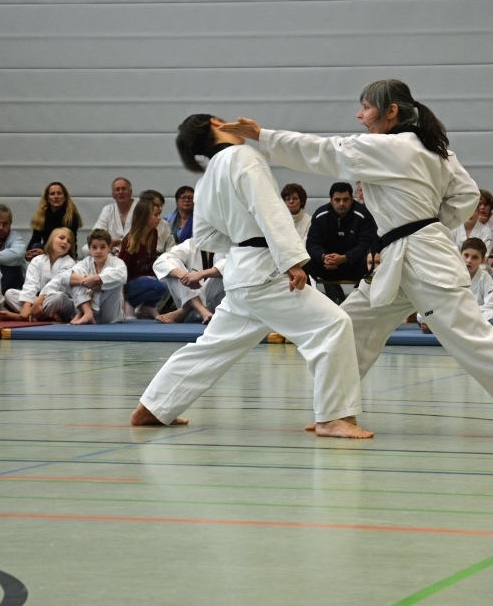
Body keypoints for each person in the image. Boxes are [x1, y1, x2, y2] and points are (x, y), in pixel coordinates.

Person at [222, 78, 493, 439]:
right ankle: (335, 414)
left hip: (424, 259)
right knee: (350, 327)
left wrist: (262, 135)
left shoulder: (391, 147)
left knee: (472, 339)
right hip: (401, 258)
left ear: (391, 111)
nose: (360, 115)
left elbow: (324, 151)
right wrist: (432, 222)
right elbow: (466, 195)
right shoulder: (435, 150)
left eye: (366, 108)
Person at [131, 113, 373, 440]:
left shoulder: (207, 179)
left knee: (213, 347)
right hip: (264, 271)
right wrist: (291, 260)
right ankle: (332, 418)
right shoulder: (243, 157)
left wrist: (243, 240)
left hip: (242, 270)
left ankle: (153, 407)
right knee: (334, 325)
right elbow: (269, 211)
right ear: (216, 124)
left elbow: (206, 236)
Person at [305, 181, 377, 302]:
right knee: (305, 262)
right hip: (327, 265)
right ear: (331, 200)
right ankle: (310, 301)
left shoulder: (364, 215)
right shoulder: (320, 215)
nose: (341, 203)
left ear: (352, 199)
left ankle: (362, 301)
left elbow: (366, 244)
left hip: (353, 266)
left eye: (345, 199)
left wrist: (345, 258)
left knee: (372, 261)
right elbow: (312, 243)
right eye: (337, 200)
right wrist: (323, 257)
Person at [418, 237, 493, 332]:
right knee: (422, 314)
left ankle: (441, 328)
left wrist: (462, 312)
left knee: (492, 316)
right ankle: (460, 329)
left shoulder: (486, 278)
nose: (469, 260)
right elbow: (437, 302)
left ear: (482, 260)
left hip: (473, 316)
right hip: (450, 314)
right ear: (460, 255)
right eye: (466, 255)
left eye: (475, 257)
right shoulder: (450, 274)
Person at [0, 227, 76, 322]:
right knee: (9, 293)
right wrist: (27, 305)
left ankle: (21, 316)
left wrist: (38, 301)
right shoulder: (37, 260)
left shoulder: (70, 263)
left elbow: (56, 284)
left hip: (60, 302)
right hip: (41, 302)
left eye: (69, 241)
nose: (65, 242)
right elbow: (31, 283)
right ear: (51, 239)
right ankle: (43, 316)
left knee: (59, 297)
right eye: (61, 238)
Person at [118, 199, 173, 319]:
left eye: (159, 214)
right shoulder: (130, 242)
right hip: (128, 283)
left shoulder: (153, 233)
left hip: (144, 278)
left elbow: (150, 260)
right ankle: (130, 303)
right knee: (161, 286)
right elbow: (120, 271)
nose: (159, 218)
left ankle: (147, 306)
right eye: (155, 215)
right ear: (144, 217)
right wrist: (120, 300)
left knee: (169, 281)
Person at [152, 238, 225, 324]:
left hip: (217, 309)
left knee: (226, 271)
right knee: (171, 267)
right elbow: (160, 262)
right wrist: (184, 276)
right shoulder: (191, 244)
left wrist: (201, 274)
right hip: (190, 306)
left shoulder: (228, 244)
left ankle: (185, 310)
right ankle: (201, 310)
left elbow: (232, 265)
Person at [26, 181, 83, 260]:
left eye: (59, 193)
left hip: (65, 252)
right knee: (36, 247)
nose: (56, 196)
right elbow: (35, 239)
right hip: (45, 251)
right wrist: (29, 253)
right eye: (52, 194)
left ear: (64, 198)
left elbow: (70, 245)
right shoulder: (42, 216)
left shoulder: (71, 217)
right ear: (47, 199)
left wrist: (45, 253)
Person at [92, 177, 135, 252]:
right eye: (117, 189)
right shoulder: (108, 210)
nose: (121, 192)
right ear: (113, 195)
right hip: (111, 250)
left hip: (134, 249)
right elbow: (96, 233)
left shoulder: (140, 208)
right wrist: (107, 242)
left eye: (124, 188)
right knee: (86, 249)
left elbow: (144, 235)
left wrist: (120, 241)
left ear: (130, 192)